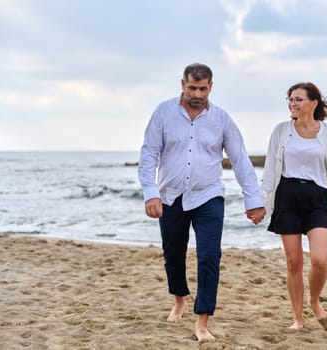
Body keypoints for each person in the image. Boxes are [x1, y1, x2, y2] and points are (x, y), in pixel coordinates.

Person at [138, 63, 266, 342]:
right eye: (192, 87)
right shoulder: (163, 112)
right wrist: (151, 192)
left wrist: (252, 200)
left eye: (203, 88)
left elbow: (240, 159)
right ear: (182, 84)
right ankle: (179, 300)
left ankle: (202, 321)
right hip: (170, 195)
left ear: (210, 87)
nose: (197, 93)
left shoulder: (221, 118)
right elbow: (149, 154)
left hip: (208, 196)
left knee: (210, 257)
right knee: (173, 253)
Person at [260, 82, 327, 331]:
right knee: (294, 263)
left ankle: (315, 302)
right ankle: (298, 318)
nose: (292, 104)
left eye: (298, 99)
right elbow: (271, 171)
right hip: (288, 197)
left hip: (318, 199)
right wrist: (260, 204)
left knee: (319, 261)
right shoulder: (281, 131)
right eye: (290, 99)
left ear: (314, 103)